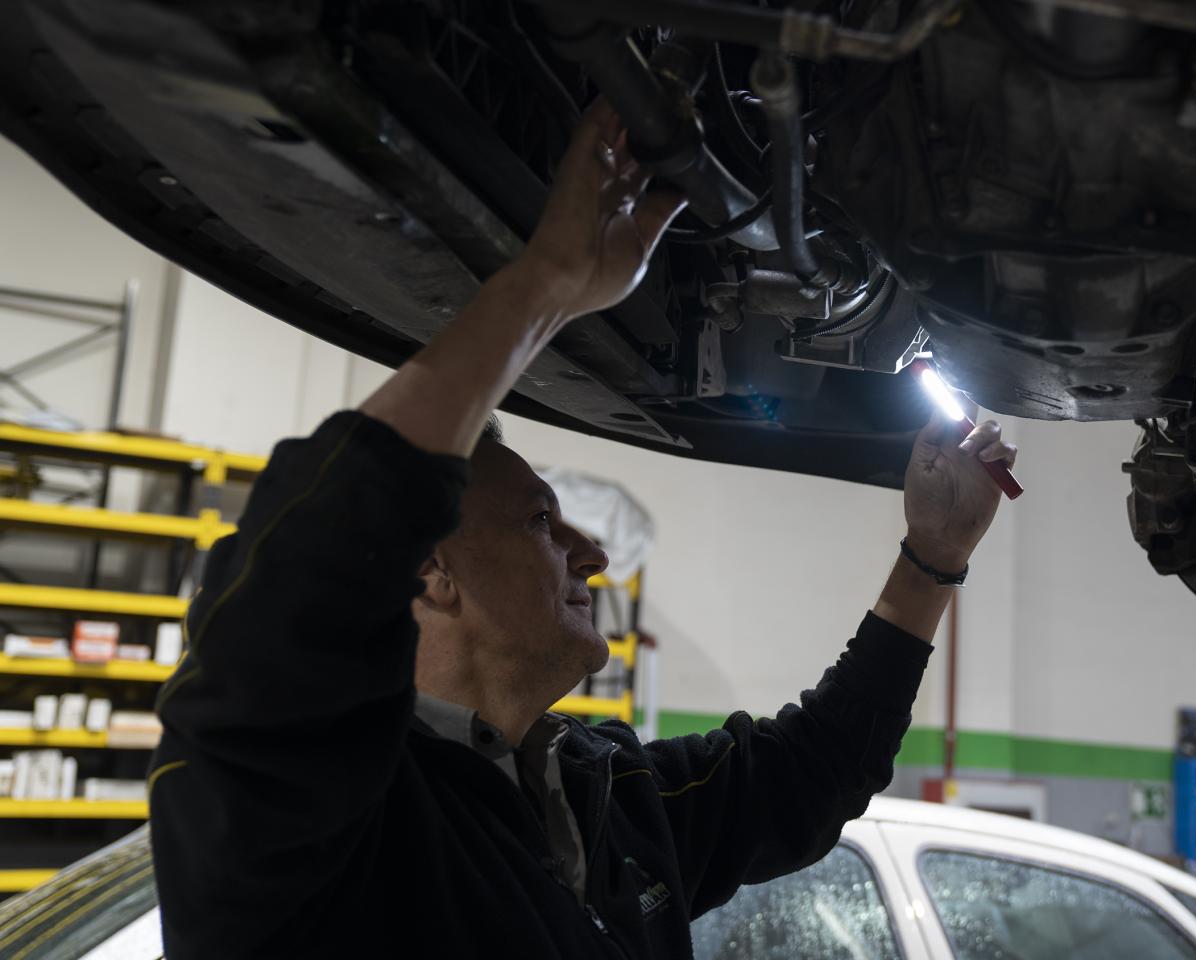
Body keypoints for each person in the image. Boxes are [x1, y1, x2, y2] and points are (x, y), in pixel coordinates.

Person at [146, 100, 1018, 958]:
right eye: (539, 521)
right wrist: (543, 286)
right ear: (428, 571)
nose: (592, 554)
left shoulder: (603, 792)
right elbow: (295, 584)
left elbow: (811, 771)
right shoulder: (312, 821)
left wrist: (933, 559)